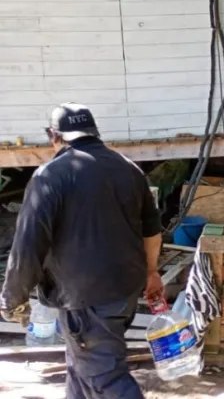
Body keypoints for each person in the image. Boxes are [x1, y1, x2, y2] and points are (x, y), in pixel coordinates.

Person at [0, 103, 164, 399]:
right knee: (81, 365)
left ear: (54, 135)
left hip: (86, 297)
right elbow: (152, 232)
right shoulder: (129, 169)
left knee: (104, 375)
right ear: (94, 132)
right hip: (124, 290)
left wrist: (13, 297)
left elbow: (28, 245)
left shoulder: (49, 176)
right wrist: (152, 273)